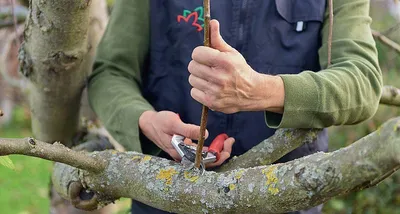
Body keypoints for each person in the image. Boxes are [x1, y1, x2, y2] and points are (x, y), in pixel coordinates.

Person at [87, 0, 382, 213]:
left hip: (285, 202)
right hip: (166, 199)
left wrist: (260, 91)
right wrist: (144, 120)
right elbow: (112, 72)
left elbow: (362, 81)